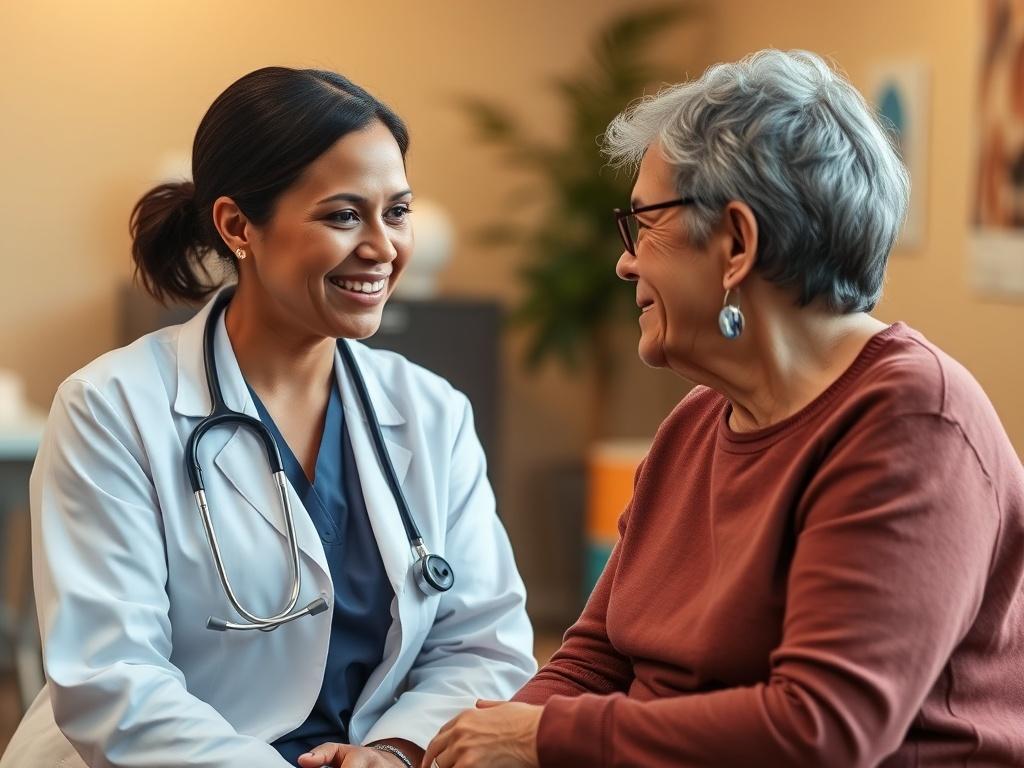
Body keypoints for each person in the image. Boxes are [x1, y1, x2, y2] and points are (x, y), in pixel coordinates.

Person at [422, 49, 1024, 768]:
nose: (626, 261)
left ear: (735, 243)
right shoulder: (700, 418)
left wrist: (545, 739)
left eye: (644, 222)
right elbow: (595, 657)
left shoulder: (912, 423)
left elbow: (822, 731)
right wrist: (464, 751)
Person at [0, 66, 535, 768]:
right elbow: (113, 680)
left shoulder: (430, 410)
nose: (382, 247)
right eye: (344, 215)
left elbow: (483, 642)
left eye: (397, 211)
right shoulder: (112, 408)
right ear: (237, 225)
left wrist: (396, 751)